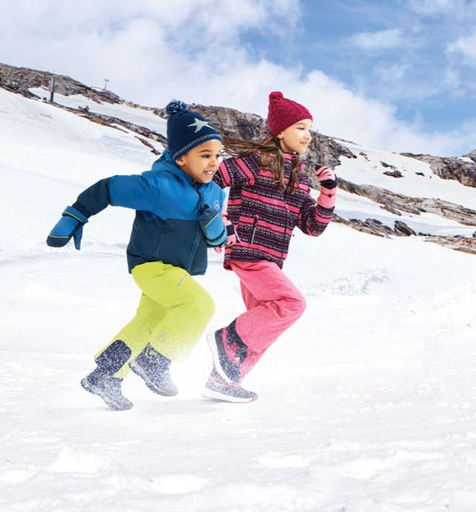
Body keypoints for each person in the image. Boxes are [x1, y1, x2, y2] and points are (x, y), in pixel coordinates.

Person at [46, 101, 236, 410]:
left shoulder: (214, 191)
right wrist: (75, 215)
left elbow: (216, 238)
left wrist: (215, 229)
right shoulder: (158, 186)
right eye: (205, 155)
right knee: (199, 305)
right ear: (181, 157)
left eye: (217, 155)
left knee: (148, 322)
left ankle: (105, 375)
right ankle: (155, 361)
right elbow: (108, 188)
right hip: (152, 265)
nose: (214, 162)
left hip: (180, 272)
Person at [205, 91, 338, 403]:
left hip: (271, 258)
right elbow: (211, 180)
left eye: (309, 129)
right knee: (291, 304)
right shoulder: (255, 161)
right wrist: (219, 222)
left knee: (264, 323)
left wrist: (328, 195)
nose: (307, 135)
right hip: (248, 250)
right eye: (300, 128)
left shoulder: (298, 176)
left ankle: (223, 380)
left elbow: (312, 226)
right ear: (280, 131)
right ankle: (226, 338)